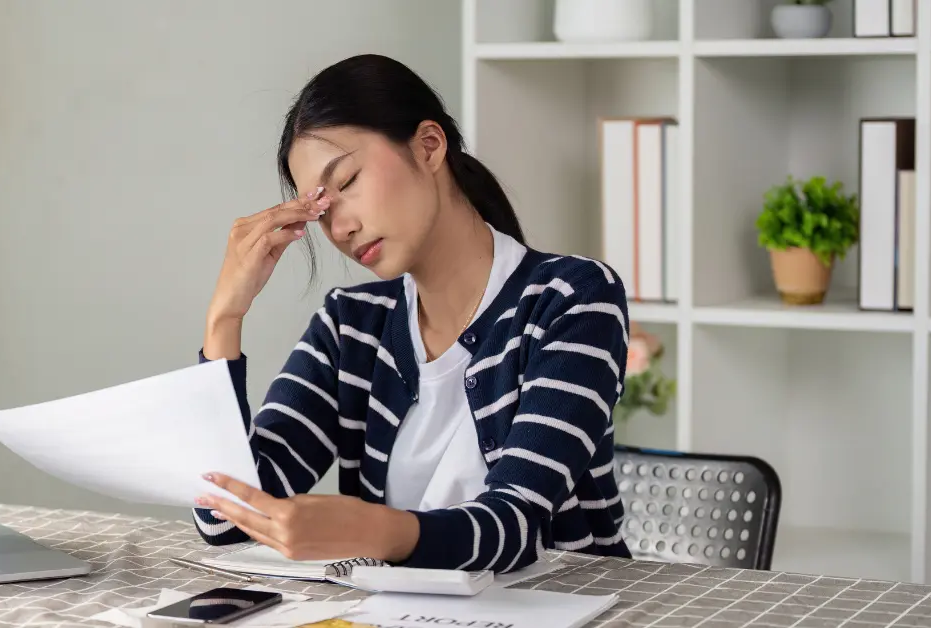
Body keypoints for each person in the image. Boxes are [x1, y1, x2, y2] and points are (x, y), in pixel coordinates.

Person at [193, 53, 632, 573]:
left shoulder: (570, 298)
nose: (341, 228)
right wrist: (225, 319)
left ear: (429, 146)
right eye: (322, 211)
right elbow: (226, 521)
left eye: (348, 181)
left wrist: (368, 528)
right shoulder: (351, 327)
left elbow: (517, 526)